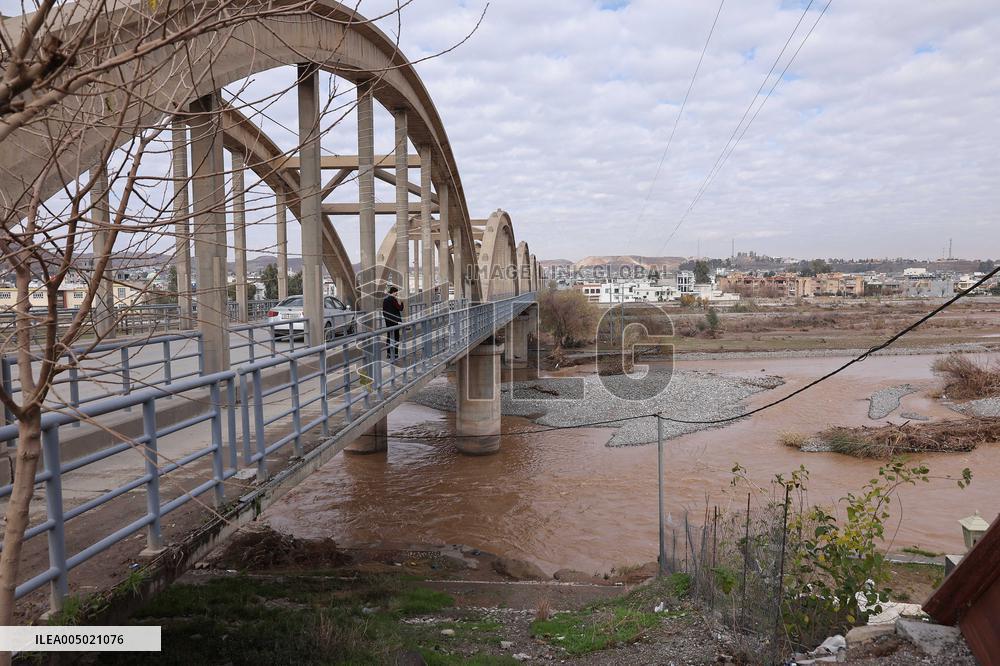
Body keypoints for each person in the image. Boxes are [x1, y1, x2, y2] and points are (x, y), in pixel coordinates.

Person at [382, 286, 404, 359]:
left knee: (389, 336)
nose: (397, 294)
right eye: (396, 292)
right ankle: (395, 354)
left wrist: (387, 319)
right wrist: (401, 303)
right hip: (395, 322)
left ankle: (388, 353)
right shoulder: (393, 300)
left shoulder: (385, 300)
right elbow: (400, 308)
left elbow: (384, 312)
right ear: (393, 292)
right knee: (396, 337)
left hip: (388, 321)